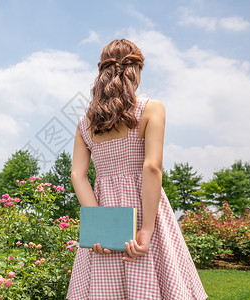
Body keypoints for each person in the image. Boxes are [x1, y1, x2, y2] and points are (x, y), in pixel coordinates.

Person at [66, 39, 207, 299]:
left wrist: (98, 227)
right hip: (145, 211)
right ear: (136, 70)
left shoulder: (85, 122)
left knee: (103, 288)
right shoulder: (151, 109)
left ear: (102, 72)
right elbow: (152, 167)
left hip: (105, 213)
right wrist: (147, 229)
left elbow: (78, 175)